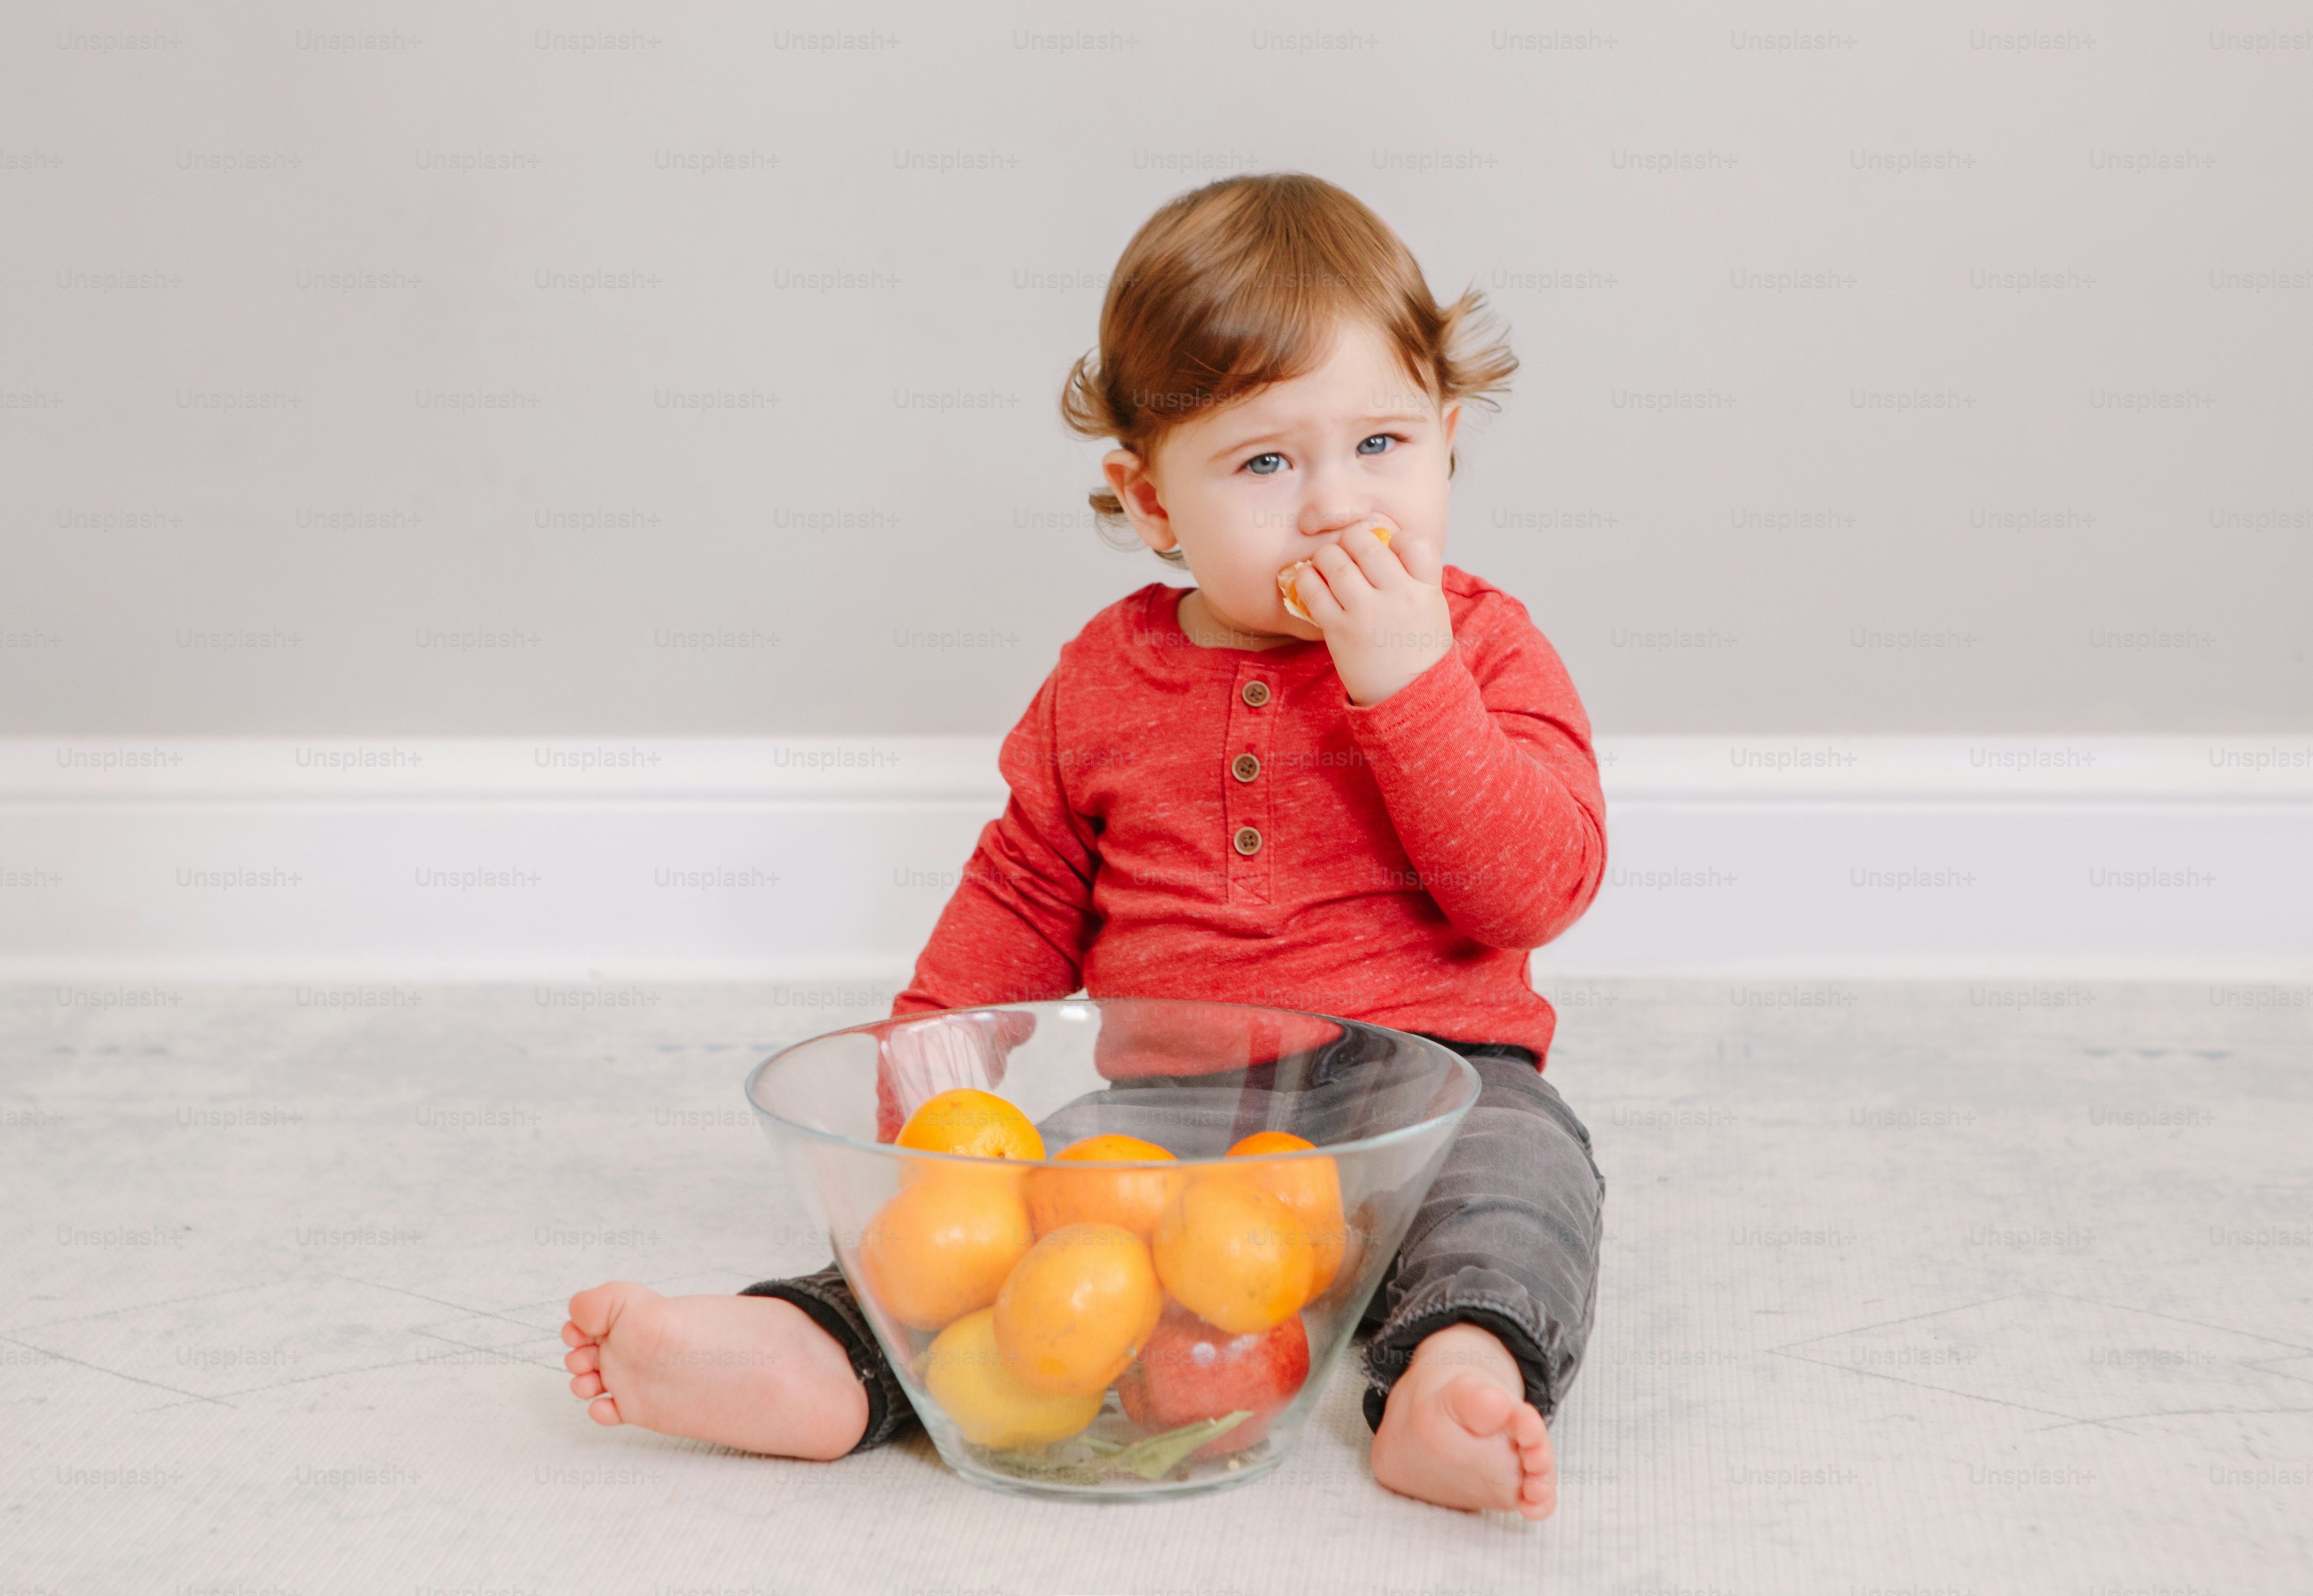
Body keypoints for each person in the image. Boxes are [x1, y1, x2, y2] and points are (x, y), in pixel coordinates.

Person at [561, 172, 1608, 1520]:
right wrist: (930, 1075)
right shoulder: (1105, 678)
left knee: (1522, 1187)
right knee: (1023, 1230)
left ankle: (1455, 1376)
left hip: (1430, 1094)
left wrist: (1410, 683)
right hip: (1174, 1114)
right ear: (1154, 499)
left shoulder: (1486, 647)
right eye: (1268, 463)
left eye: (1385, 445)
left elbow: (1535, 884)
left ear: (1451, 438)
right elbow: (1027, 881)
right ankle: (824, 1352)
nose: (1340, 504)